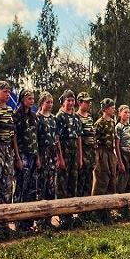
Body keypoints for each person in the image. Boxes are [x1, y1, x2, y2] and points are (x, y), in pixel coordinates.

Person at [0, 81, 19, 237]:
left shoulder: (10, 111)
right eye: (5, 91)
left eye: (9, 92)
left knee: (7, 187)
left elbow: (13, 135)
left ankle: (5, 222)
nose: (7, 94)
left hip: (8, 150)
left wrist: (15, 155)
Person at [14, 89, 40, 231]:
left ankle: (28, 223)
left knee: (31, 189)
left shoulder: (33, 116)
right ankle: (18, 222)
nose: (31, 101)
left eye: (33, 98)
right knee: (20, 188)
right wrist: (17, 158)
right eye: (29, 98)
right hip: (22, 155)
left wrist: (38, 157)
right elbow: (15, 138)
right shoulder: (16, 116)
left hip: (33, 155)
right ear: (23, 99)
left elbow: (35, 137)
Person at [55, 90, 82, 227]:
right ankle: (62, 214)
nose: (71, 103)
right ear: (63, 101)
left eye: (72, 100)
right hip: (64, 149)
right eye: (68, 100)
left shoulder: (76, 117)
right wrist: (60, 157)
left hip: (74, 150)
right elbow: (57, 138)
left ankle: (70, 214)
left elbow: (79, 137)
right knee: (62, 183)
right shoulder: (59, 117)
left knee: (73, 182)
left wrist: (80, 157)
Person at [35, 92, 62, 227]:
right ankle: (40, 220)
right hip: (42, 152)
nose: (50, 105)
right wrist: (38, 158)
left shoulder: (53, 119)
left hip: (52, 153)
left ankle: (49, 219)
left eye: (51, 102)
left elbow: (57, 139)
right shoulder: (37, 118)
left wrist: (59, 156)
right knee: (41, 186)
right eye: (47, 102)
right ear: (42, 103)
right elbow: (35, 140)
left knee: (51, 187)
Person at [76, 92, 96, 199]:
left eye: (89, 102)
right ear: (79, 103)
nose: (88, 104)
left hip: (90, 153)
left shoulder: (89, 117)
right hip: (82, 152)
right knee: (81, 180)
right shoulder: (76, 117)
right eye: (86, 102)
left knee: (89, 180)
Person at [115, 105, 130, 194]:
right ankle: (120, 204)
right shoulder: (118, 127)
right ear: (120, 114)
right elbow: (117, 145)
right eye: (125, 112)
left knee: (129, 179)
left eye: (128, 112)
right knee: (121, 180)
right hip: (123, 154)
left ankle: (128, 204)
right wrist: (120, 162)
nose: (127, 115)